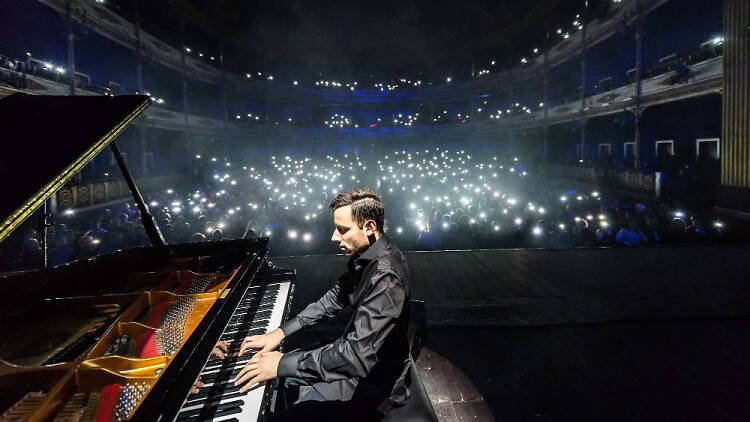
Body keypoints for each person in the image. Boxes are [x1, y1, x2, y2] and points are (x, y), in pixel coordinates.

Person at [233, 188, 412, 420]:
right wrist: (281, 332)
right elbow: (335, 298)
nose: (334, 237)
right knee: (283, 374)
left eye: (342, 230)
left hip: (373, 383)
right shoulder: (367, 256)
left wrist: (281, 364)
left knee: (283, 402)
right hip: (357, 359)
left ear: (369, 227)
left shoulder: (386, 277)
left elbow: (356, 357)